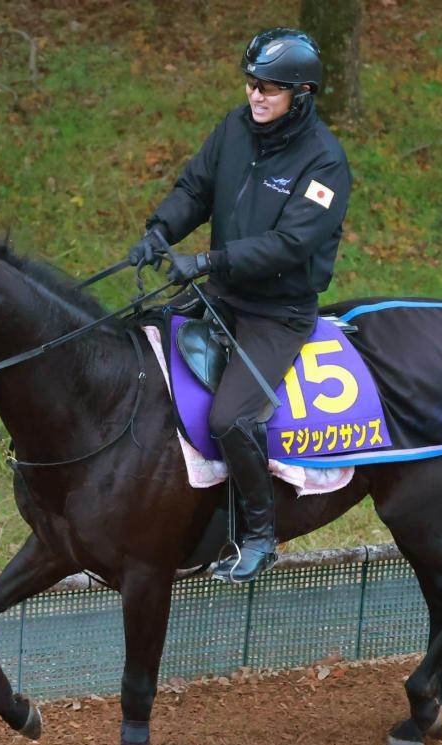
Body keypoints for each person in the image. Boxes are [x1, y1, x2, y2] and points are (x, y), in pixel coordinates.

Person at [129, 27, 353, 583]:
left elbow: (291, 244)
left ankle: (259, 534)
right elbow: (195, 189)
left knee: (230, 418)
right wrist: (160, 230)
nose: (256, 94)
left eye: (269, 87)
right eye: (252, 82)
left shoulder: (325, 163)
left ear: (301, 93)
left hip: (276, 314)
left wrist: (208, 261)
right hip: (223, 294)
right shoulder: (235, 127)